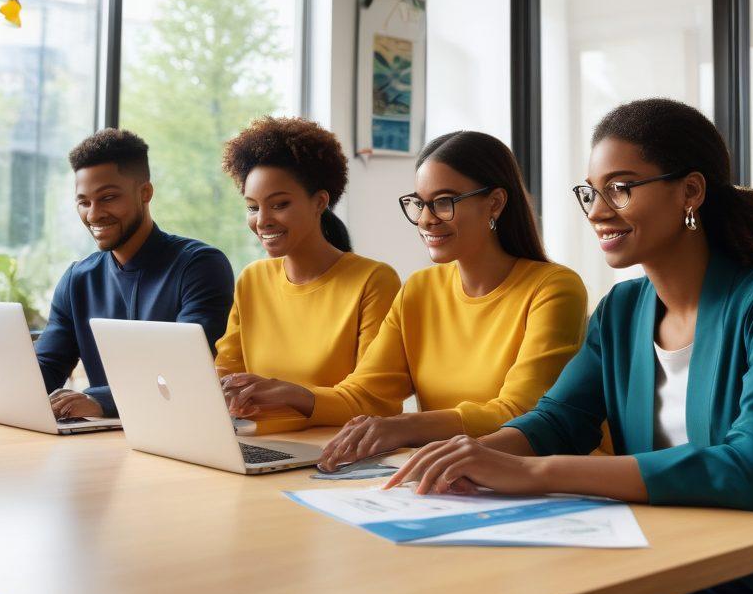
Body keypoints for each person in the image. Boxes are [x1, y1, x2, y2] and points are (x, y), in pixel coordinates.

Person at [389, 99, 753, 594]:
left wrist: (528, 472)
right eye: (591, 192)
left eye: (621, 188)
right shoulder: (622, 310)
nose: (597, 210)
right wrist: (470, 455)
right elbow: (558, 421)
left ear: (690, 192)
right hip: (674, 557)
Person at [224, 130, 587, 471]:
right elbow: (366, 395)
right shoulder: (420, 289)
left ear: (494, 203)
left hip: (548, 478)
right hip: (455, 474)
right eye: (420, 204)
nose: (426, 220)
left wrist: (405, 426)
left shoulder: (554, 289)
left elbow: (520, 411)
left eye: (443, 202)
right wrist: (294, 394)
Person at [214, 117, 401, 431]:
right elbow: (225, 375)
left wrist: (292, 394)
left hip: (334, 451)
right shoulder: (252, 279)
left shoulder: (374, 281)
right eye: (252, 207)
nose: (262, 221)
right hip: (256, 444)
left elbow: (374, 402)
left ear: (319, 202)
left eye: (280, 204)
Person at [37, 128, 234, 420]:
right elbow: (48, 364)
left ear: (145, 193)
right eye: (84, 202)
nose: (93, 214)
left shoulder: (200, 266)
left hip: (180, 431)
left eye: (108, 198)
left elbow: (182, 368)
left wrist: (99, 399)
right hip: (104, 440)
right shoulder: (78, 279)